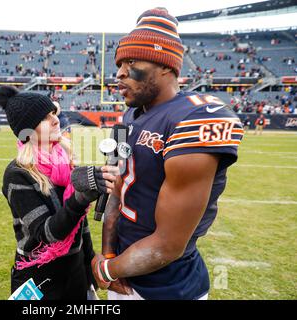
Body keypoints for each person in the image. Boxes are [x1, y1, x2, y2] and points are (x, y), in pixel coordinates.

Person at [91, 8, 244, 300]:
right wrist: (109, 255)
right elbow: (116, 192)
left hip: (168, 287)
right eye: (119, 63)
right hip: (123, 268)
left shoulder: (196, 118)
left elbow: (167, 245)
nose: (120, 72)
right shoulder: (130, 116)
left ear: (165, 66)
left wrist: (106, 270)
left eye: (131, 61)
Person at [0, 86, 118, 300]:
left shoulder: (64, 159)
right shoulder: (17, 174)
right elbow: (47, 234)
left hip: (76, 269)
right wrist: (81, 198)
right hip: (40, 274)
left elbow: (80, 225)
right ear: (28, 131)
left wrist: (91, 264)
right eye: (45, 118)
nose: (55, 120)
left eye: (54, 113)